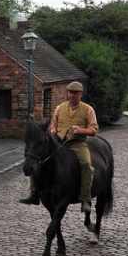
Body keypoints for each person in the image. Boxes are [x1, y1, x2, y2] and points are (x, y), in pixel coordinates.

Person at [25, 81, 99, 211]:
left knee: (86, 165)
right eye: (70, 92)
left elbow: (94, 129)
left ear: (80, 94)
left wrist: (80, 130)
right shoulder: (60, 108)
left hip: (77, 144)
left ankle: (85, 199)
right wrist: (53, 130)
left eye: (75, 93)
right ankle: (34, 193)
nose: (72, 95)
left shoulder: (88, 109)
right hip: (58, 142)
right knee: (37, 159)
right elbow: (53, 124)